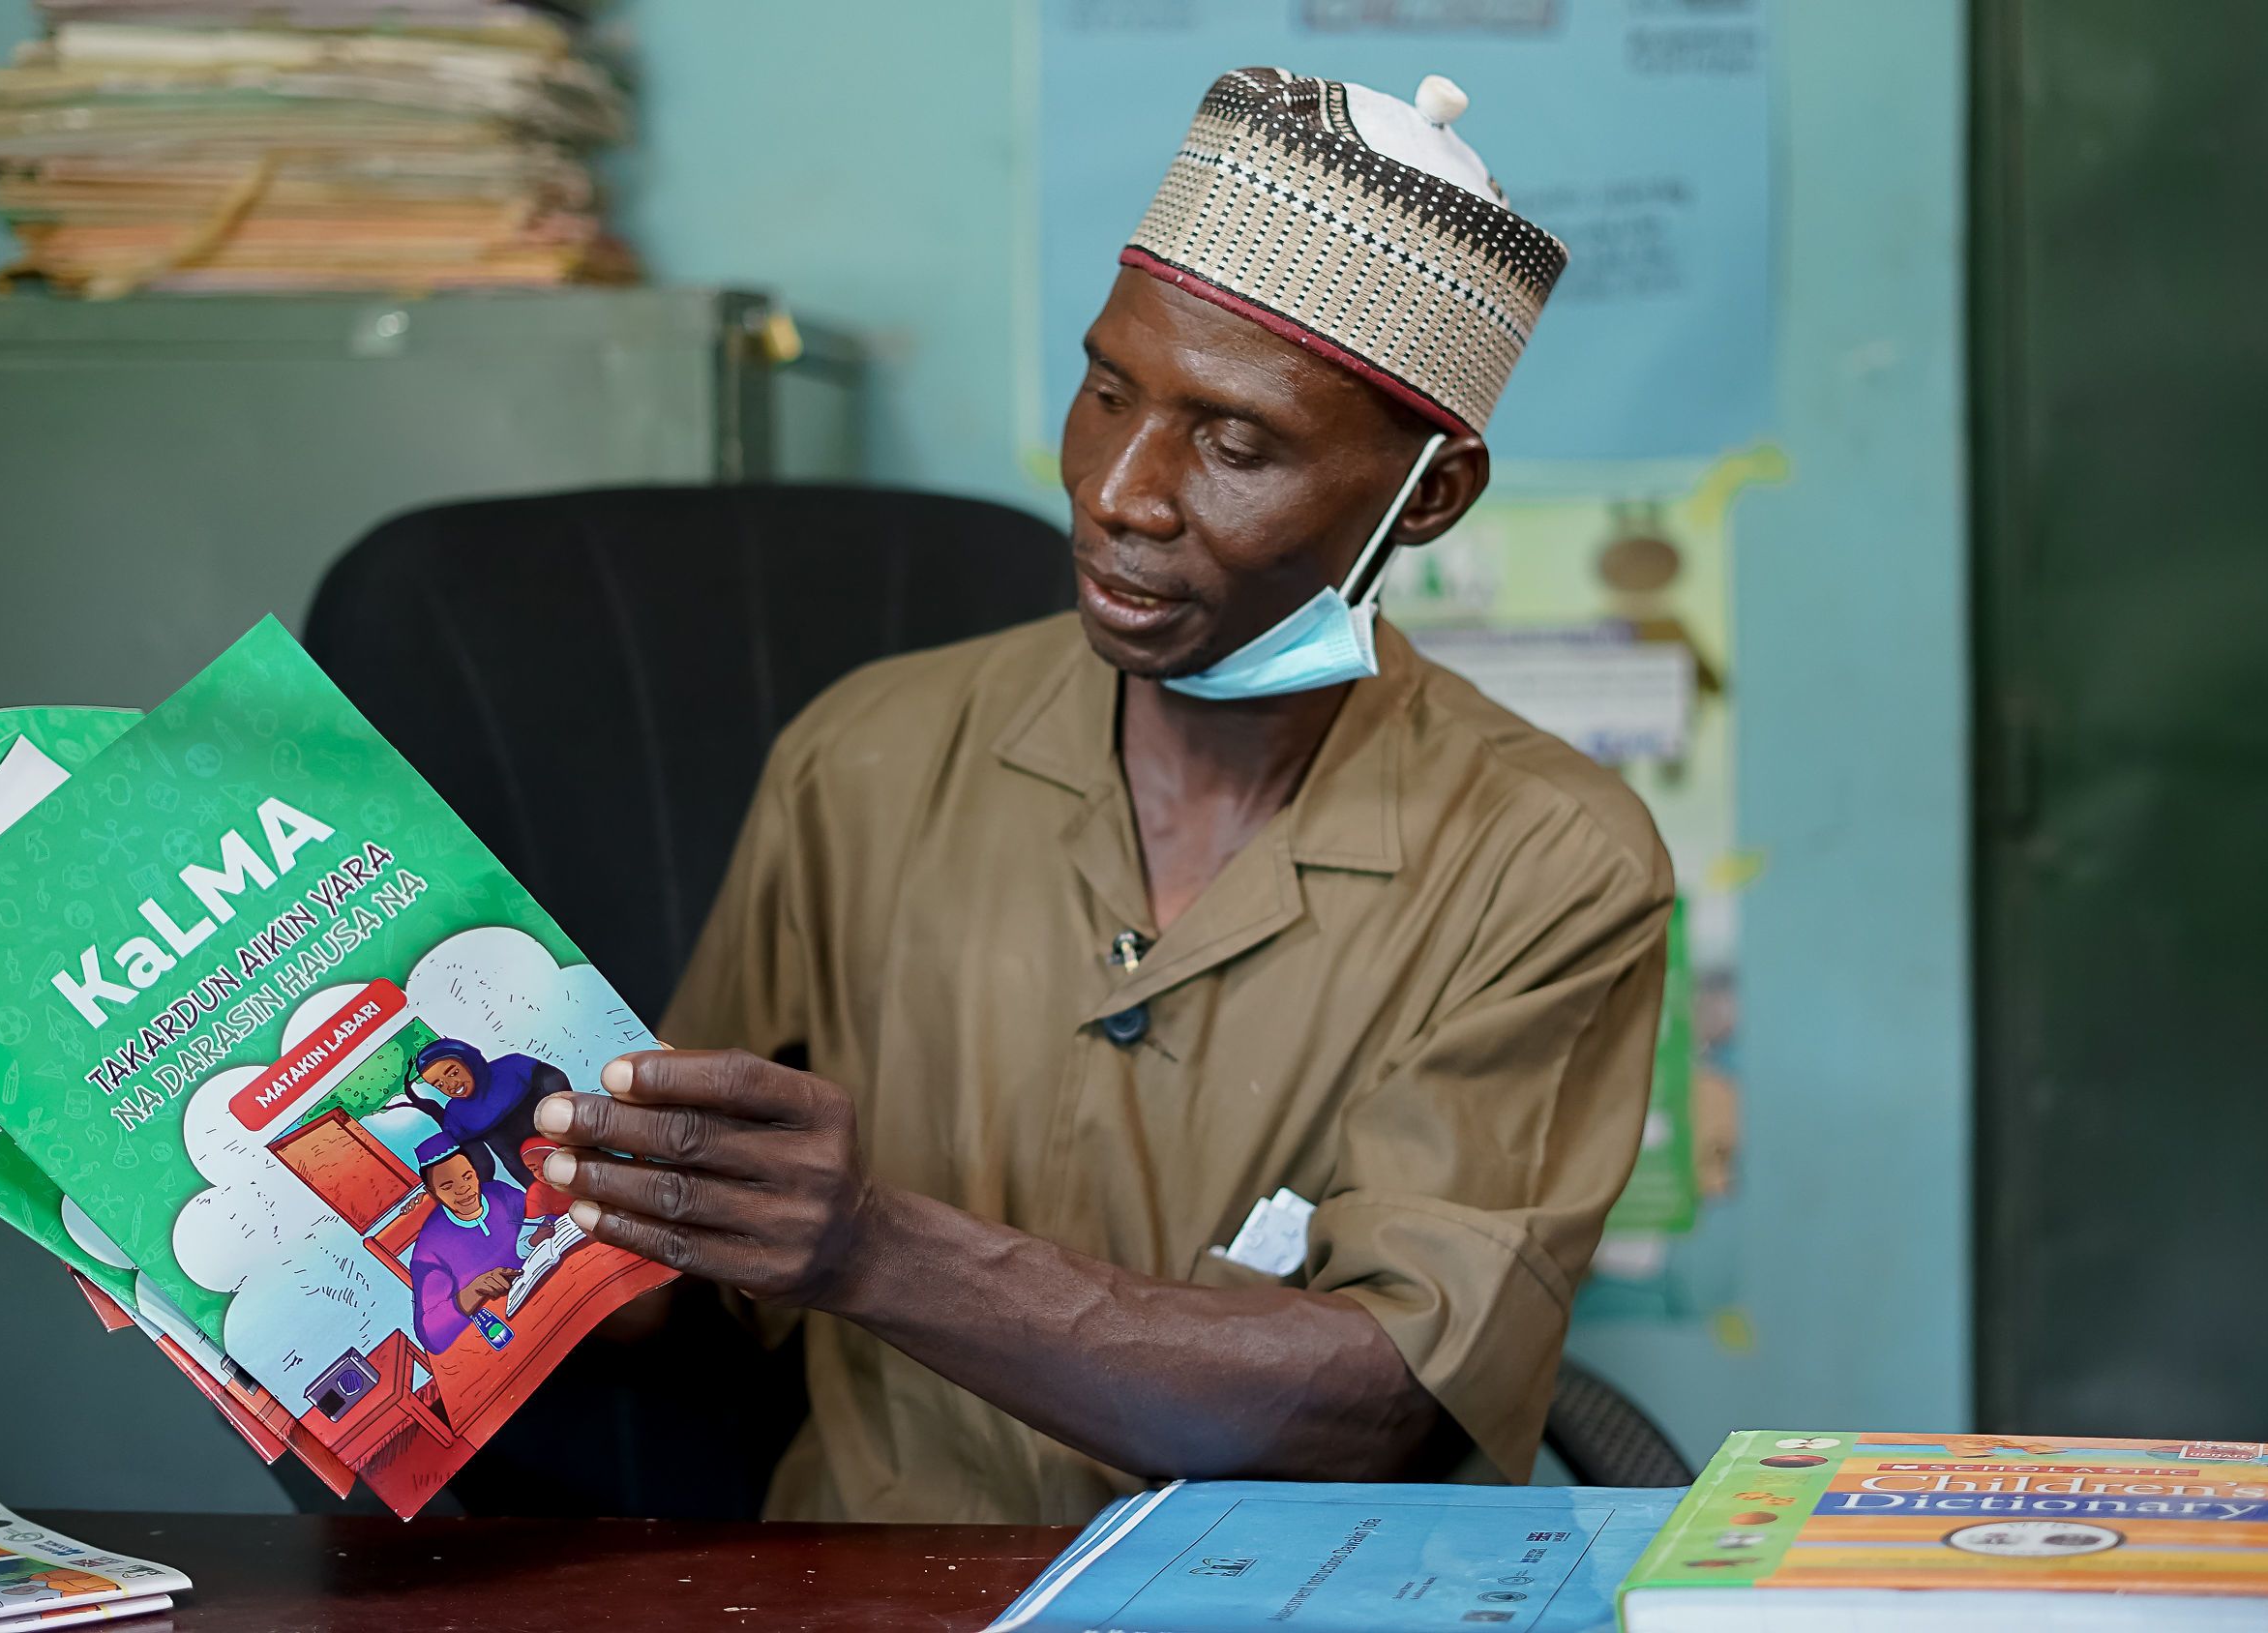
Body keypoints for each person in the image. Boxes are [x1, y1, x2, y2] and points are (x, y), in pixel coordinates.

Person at [535, 66, 1671, 1524]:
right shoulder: (868, 756)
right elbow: (666, 1271)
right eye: (1108, 393)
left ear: (1429, 497)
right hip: (875, 1601)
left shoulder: (1547, 861)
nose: (1119, 492)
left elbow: (1379, 1399)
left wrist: (873, 1249)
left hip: (1278, 1620)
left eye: (1234, 443)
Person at [405, 1133, 531, 1354]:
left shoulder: (499, 1192)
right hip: (508, 1333)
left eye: (467, 1177)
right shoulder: (429, 1251)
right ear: (432, 1192)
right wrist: (474, 1291)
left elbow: (543, 1219)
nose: (463, 1189)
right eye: (447, 1185)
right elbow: (430, 1334)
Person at [400, 1038, 568, 1187]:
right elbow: (480, 1160)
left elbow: (556, 1082)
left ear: (468, 1061)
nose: (450, 1085)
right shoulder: (456, 1114)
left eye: (453, 1073)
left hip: (566, 1136)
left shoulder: (512, 1067)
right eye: (439, 1085)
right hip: (529, 1173)